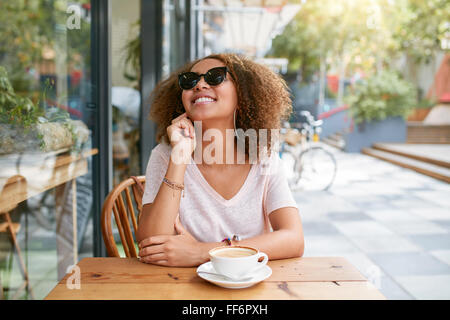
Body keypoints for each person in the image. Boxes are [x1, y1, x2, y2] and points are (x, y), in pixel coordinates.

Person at [136, 53, 304, 267]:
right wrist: (180, 157)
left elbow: (294, 238)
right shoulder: (165, 154)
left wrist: (203, 252)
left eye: (215, 77)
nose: (199, 85)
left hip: (250, 284)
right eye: (190, 80)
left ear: (243, 95)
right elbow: (151, 244)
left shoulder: (263, 157)